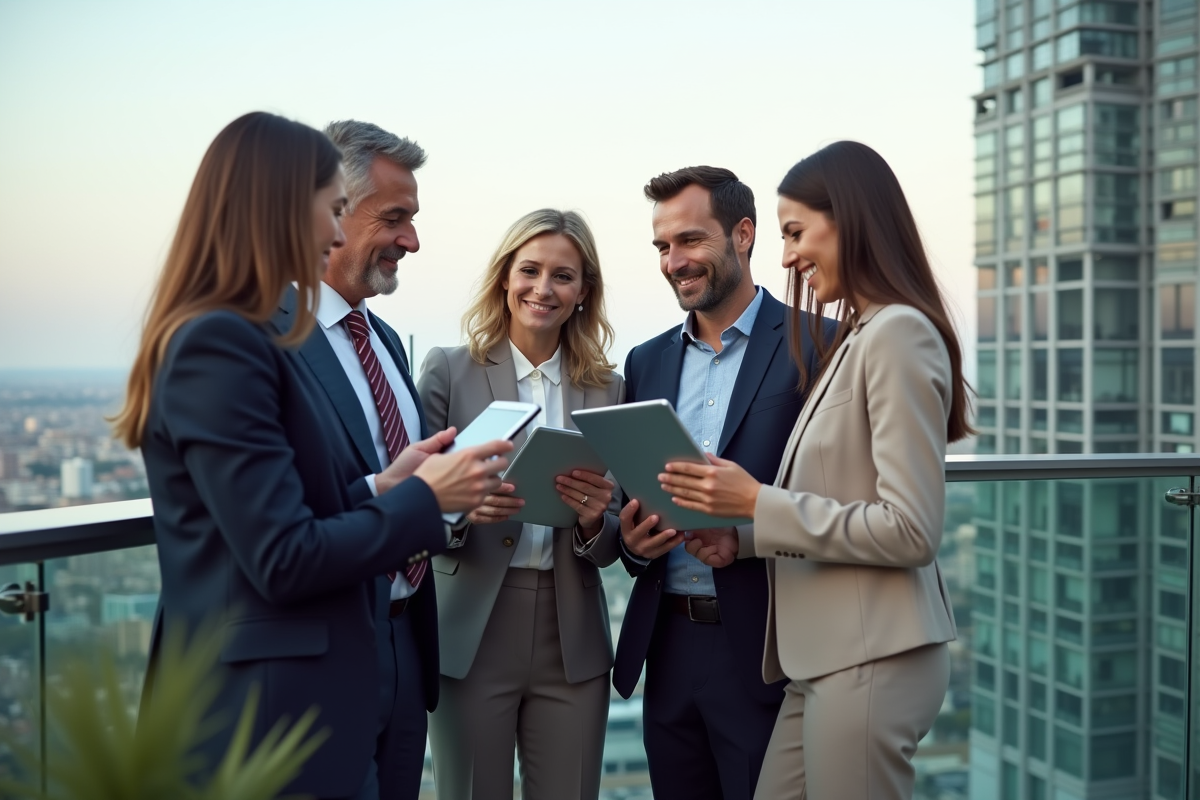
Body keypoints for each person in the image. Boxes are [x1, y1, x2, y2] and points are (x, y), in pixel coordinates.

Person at [112, 112, 512, 800]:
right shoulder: (221, 342)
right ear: (277, 209)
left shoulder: (244, 334)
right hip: (269, 706)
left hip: (344, 672)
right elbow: (281, 558)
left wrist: (381, 487)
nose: (332, 232)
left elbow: (280, 513)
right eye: (331, 210)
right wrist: (426, 499)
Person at [660, 141, 968, 800]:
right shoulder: (859, 334)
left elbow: (911, 530)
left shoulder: (897, 335)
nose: (786, 256)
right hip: (822, 659)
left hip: (872, 655)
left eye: (797, 231)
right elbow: (837, 497)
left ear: (850, 221)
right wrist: (739, 540)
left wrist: (753, 504)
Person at [611, 166, 835, 800]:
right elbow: (634, 498)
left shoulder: (819, 343)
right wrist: (632, 540)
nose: (673, 261)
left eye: (690, 241)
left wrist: (747, 528)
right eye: (662, 247)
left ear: (743, 235)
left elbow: (839, 502)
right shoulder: (646, 360)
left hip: (768, 650)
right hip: (669, 645)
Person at [417, 208, 624, 800]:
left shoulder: (609, 388)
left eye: (563, 275)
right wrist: (459, 511)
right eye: (529, 270)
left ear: (584, 291)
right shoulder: (448, 372)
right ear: (505, 278)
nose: (543, 288)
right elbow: (413, 505)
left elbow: (613, 536)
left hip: (572, 632)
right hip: (472, 628)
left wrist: (593, 520)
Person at [267, 119, 439, 800]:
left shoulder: (388, 341)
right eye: (395, 217)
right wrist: (399, 492)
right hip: (320, 656)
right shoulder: (266, 336)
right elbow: (282, 515)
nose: (413, 240)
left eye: (414, 219)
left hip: (404, 643)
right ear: (334, 210)